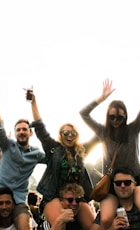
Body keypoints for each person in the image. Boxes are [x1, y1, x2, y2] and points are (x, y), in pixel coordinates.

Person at [80, 63, 140, 229]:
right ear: (107, 117)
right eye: (112, 117)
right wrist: (101, 99)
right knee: (105, 220)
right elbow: (83, 114)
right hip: (111, 184)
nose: (115, 120)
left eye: (119, 117)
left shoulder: (132, 130)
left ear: (125, 116)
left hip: (134, 180)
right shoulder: (103, 132)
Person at [29, 89, 99, 229]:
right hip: (55, 196)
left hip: (76, 198)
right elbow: (40, 128)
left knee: (94, 227)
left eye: (73, 133)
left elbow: (99, 136)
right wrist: (33, 102)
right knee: (61, 224)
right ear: (61, 134)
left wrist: (101, 99)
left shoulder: (81, 151)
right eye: (65, 132)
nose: (69, 135)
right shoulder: (53, 148)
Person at [0, 86, 46, 230]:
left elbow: (54, 158)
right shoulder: (7, 146)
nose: (21, 132)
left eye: (25, 129)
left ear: (31, 133)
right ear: (15, 133)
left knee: (25, 225)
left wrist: (34, 103)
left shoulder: (36, 154)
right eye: (18, 130)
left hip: (18, 198)